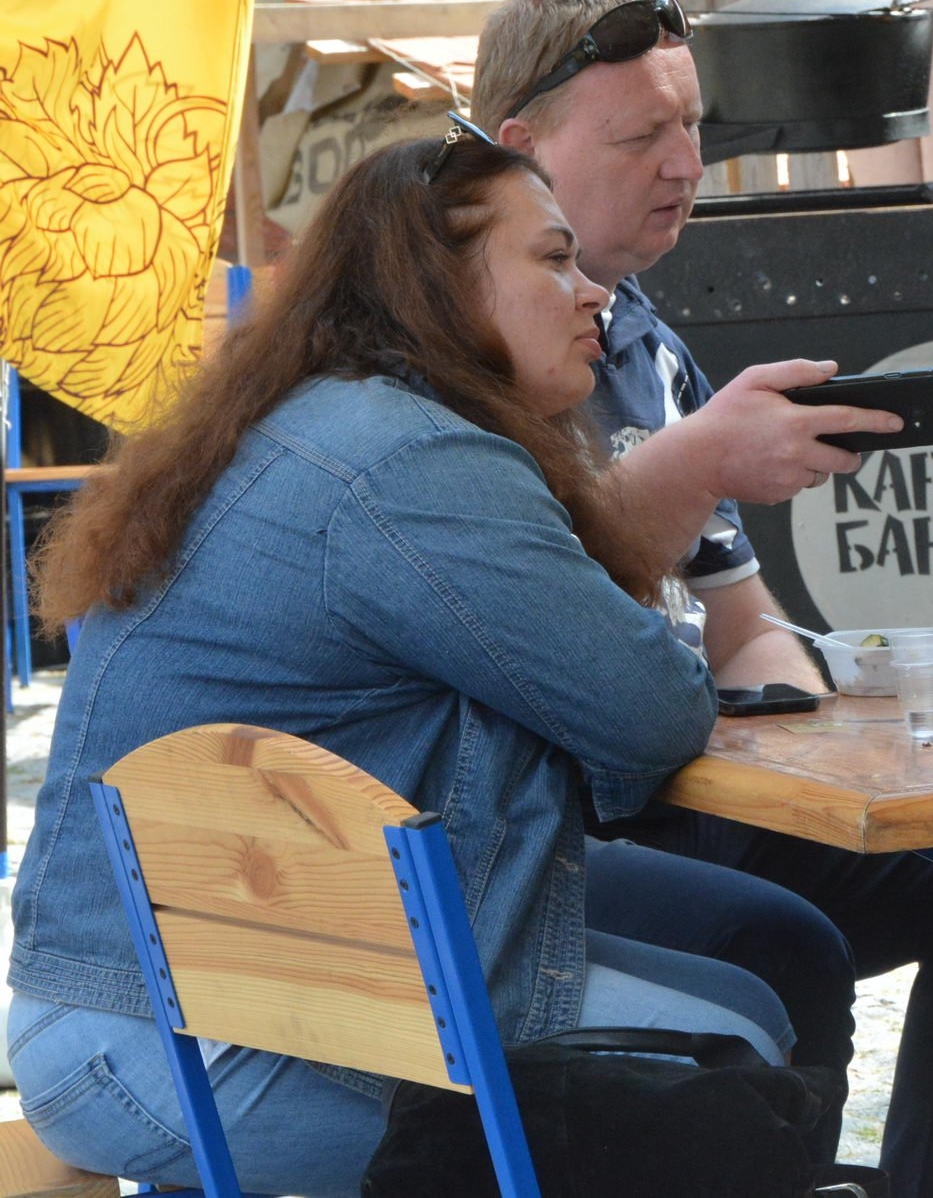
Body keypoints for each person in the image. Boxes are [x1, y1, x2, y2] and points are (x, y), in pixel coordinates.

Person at [6, 135, 801, 1197]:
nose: (594, 293)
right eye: (552, 259)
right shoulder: (417, 458)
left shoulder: (288, 418)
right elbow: (650, 711)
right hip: (196, 1038)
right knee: (741, 1037)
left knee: (767, 943)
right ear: (439, 284)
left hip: (107, 993)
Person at [470, 0, 933, 1198]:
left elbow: (745, 627)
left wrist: (813, 728)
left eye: (695, 125)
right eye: (641, 135)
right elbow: (518, 622)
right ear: (517, 148)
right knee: (775, 945)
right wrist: (693, 464)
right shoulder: (447, 354)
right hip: (527, 839)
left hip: (676, 795)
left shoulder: (648, 345)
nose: (685, 163)